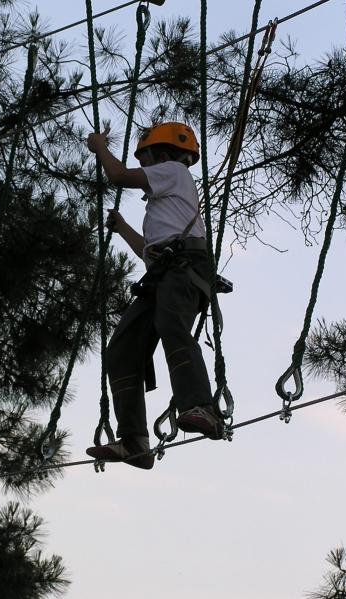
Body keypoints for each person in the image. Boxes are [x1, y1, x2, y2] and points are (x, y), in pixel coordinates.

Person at [85, 122, 224, 470]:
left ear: (160, 155)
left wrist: (100, 146)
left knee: (170, 323)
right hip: (163, 271)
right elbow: (147, 252)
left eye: (145, 158)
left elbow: (117, 176)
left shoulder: (174, 171)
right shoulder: (162, 209)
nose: (144, 167)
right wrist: (121, 228)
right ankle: (134, 441)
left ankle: (200, 407)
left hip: (183, 268)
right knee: (121, 348)